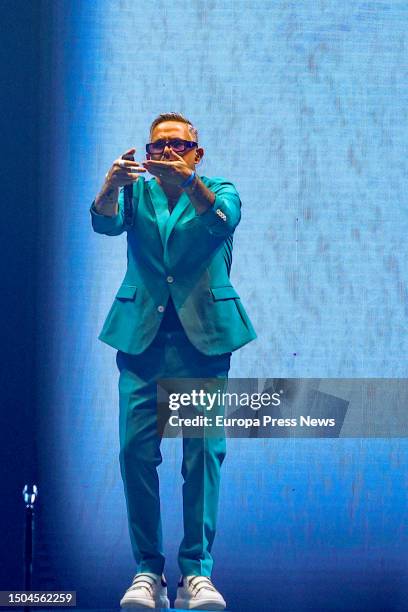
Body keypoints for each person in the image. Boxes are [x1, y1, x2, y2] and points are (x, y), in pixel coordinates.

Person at [90, 112, 256, 610]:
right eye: (157, 146)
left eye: (176, 145)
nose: (165, 153)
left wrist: (189, 184)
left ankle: (196, 573)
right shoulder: (136, 193)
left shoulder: (218, 188)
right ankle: (147, 572)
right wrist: (109, 184)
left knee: (202, 456)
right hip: (142, 339)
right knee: (135, 453)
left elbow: (222, 221)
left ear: (196, 152)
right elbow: (104, 222)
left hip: (201, 342)